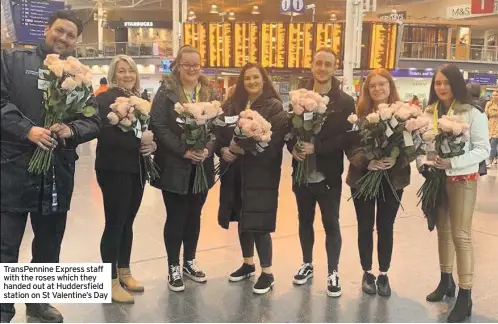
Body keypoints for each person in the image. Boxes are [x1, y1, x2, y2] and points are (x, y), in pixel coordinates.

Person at [0, 10, 100, 323]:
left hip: (57, 170)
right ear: (47, 30)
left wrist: (73, 130)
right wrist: (26, 130)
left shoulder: (80, 75)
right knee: (5, 244)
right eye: (60, 31)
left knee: (49, 242)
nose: (64, 38)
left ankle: (37, 302)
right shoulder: (14, 61)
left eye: (71, 35)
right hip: (13, 168)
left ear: (76, 41)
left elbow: (94, 119)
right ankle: (3, 308)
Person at [421, 64, 489, 323]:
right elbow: (422, 143)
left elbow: (483, 149)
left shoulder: (473, 113)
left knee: (461, 236)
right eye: (437, 83)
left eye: (446, 83)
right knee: (443, 233)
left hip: (463, 179)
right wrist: (426, 163)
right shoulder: (429, 112)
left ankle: (465, 295)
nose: (441, 88)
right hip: (437, 179)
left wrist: (453, 163)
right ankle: (445, 281)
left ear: (456, 84)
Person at [286, 48, 355, 298]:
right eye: (319, 63)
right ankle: (307, 263)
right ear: (312, 65)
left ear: (334, 68)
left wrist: (319, 147)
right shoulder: (299, 98)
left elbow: (346, 138)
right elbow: (289, 132)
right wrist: (292, 148)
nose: (323, 68)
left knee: (331, 223)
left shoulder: (344, 102)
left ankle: (333, 271)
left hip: (328, 174)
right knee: (304, 220)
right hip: (302, 173)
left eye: (328, 64)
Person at [150, 45, 217, 292]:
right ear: (177, 65)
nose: (192, 69)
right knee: (176, 217)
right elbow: (157, 124)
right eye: (187, 64)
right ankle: (173, 266)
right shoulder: (166, 91)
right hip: (174, 166)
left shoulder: (209, 91)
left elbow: (216, 124)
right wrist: (183, 150)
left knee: (194, 216)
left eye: (196, 65)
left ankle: (189, 261)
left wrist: (207, 149)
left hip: (202, 166)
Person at [216, 63, 288, 295]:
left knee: (259, 223)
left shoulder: (274, 107)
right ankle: (248, 263)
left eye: (256, 77)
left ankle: (267, 272)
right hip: (236, 172)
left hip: (261, 174)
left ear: (263, 79)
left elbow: (274, 142)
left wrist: (244, 150)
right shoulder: (231, 105)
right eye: (247, 78)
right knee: (242, 218)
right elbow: (218, 132)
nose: (252, 82)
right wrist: (223, 150)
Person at [95, 55, 157, 303]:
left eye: (130, 70)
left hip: (137, 167)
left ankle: (124, 271)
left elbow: (151, 131)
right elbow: (105, 134)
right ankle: (109, 281)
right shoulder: (105, 99)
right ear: (113, 74)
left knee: (128, 221)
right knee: (115, 223)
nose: (127, 75)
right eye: (122, 71)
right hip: (114, 168)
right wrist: (136, 141)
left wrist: (151, 144)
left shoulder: (141, 101)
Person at [346, 68, 411, 297]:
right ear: (367, 90)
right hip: (363, 179)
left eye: (381, 84)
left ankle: (383, 274)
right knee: (365, 226)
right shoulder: (359, 116)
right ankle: (367, 272)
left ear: (390, 86)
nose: (377, 89)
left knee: (385, 227)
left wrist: (395, 157)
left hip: (393, 180)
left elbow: (411, 147)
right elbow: (350, 147)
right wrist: (367, 162)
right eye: (372, 86)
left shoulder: (404, 115)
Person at [485, 90, 498, 166]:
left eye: (496, 95)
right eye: (493, 95)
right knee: (490, 142)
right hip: (490, 123)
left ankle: (490, 161)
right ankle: (495, 157)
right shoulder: (488, 104)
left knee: (493, 142)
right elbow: (486, 113)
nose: (494, 96)